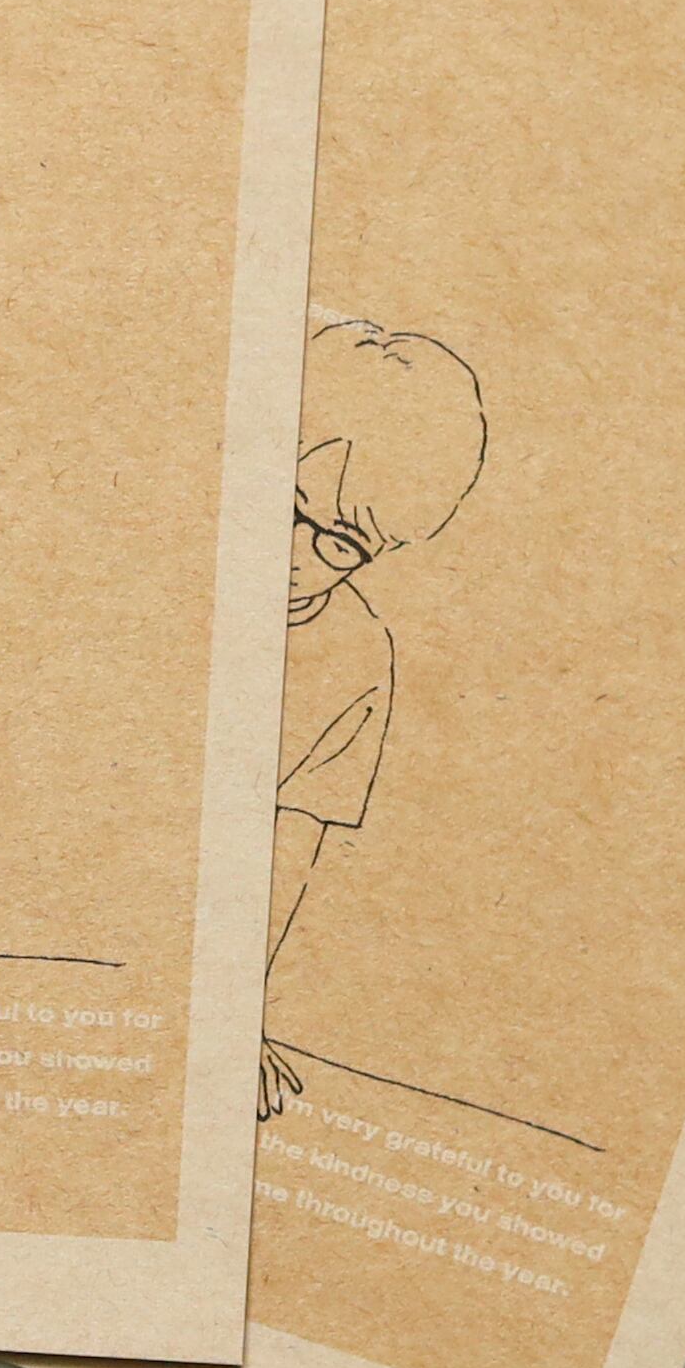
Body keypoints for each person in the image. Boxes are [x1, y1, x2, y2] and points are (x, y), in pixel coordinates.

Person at [259, 318, 486, 1119]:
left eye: (339, 543)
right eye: (284, 505)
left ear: (383, 550)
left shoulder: (356, 659)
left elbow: (288, 844)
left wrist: (230, 1011)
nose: (293, 551)